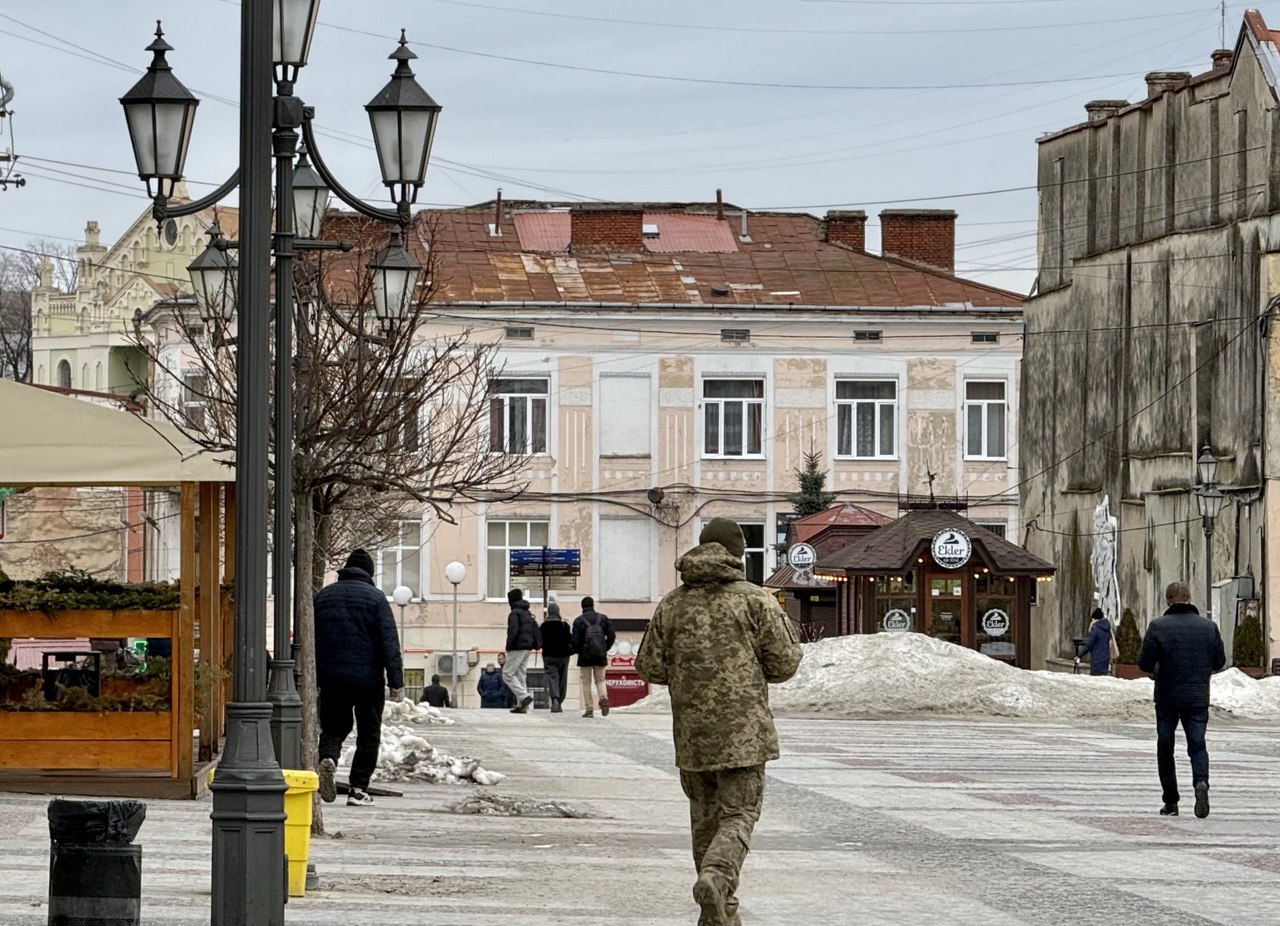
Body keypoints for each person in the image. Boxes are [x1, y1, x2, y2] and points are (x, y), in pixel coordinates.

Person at [636, 517, 802, 926]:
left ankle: (720, 912)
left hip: (692, 738)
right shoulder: (755, 600)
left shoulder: (673, 603)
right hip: (744, 735)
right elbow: (783, 664)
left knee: (704, 820)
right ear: (738, 554)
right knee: (739, 814)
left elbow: (649, 667)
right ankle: (717, 877)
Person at [314, 548, 403, 807]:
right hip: (368, 681)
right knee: (368, 732)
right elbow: (389, 642)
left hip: (331, 679)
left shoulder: (323, 597)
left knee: (333, 726)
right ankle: (358, 788)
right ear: (369, 573)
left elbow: (309, 638)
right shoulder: (375, 599)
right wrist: (396, 680)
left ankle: (328, 758)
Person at [1137, 580, 1226, 819]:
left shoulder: (1158, 626)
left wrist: (1158, 669)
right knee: (1197, 744)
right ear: (1190, 599)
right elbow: (1219, 662)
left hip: (1166, 696)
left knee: (1165, 747)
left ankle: (1171, 801)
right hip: (1197, 696)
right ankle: (1201, 781)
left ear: (1168, 600)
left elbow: (1144, 663)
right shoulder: (1209, 627)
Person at [573, 596, 615, 718]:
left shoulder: (578, 621)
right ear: (592, 605)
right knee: (600, 680)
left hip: (585, 657)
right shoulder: (603, 619)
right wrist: (605, 648)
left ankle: (589, 709)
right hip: (600, 655)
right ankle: (603, 699)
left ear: (582, 607)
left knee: (586, 682)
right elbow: (612, 635)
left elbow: (575, 641)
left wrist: (579, 651)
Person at [503, 588, 541, 713]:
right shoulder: (527, 613)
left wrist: (508, 646)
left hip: (517, 647)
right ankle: (522, 705)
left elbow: (513, 631)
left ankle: (524, 697)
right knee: (520, 674)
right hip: (527, 647)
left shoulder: (514, 613)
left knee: (507, 674)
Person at [540, 600, 574, 713]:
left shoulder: (544, 626)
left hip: (549, 656)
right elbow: (570, 640)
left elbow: (540, 641)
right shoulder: (564, 625)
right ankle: (559, 701)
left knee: (552, 678)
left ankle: (554, 699)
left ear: (549, 612)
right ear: (558, 611)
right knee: (562, 679)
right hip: (563, 656)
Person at [1075, 607, 1114, 676]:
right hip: (1105, 658)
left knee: (1095, 678)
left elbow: (1088, 644)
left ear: (1095, 619)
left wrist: (1079, 655)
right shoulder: (1107, 628)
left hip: (1096, 659)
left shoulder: (1095, 629)